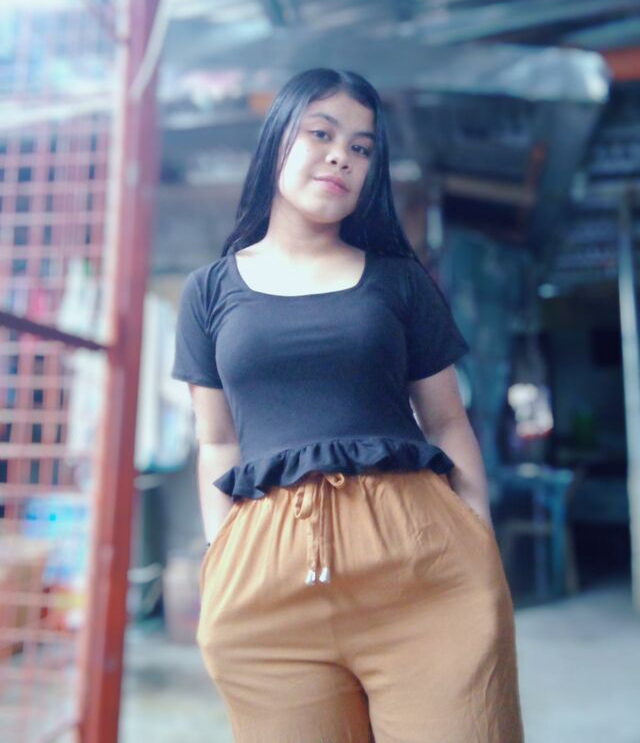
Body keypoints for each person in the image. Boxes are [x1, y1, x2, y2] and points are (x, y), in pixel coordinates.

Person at [171, 68, 525, 742]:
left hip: (420, 565)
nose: (342, 156)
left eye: (361, 148)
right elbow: (216, 439)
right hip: (266, 583)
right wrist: (223, 557)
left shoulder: (401, 280)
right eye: (322, 134)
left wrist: (478, 539)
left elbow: (447, 419)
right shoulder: (208, 292)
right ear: (277, 141)